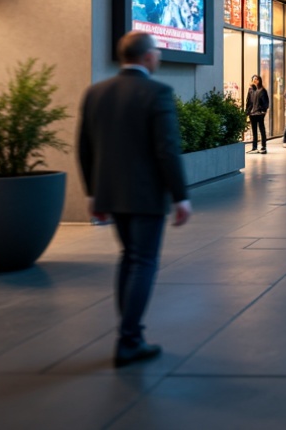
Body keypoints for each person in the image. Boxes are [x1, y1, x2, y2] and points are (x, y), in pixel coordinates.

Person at [77, 31, 192, 368]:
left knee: (129, 259)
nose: (158, 57)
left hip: (111, 193)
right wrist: (180, 197)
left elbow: (85, 148)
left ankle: (131, 336)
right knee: (143, 262)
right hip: (145, 195)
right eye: (156, 52)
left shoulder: (96, 93)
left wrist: (93, 193)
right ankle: (129, 340)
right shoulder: (157, 92)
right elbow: (167, 149)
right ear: (147, 57)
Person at [245, 74, 270, 154]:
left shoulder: (262, 90)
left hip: (259, 113)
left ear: (259, 80)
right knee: (254, 130)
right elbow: (248, 101)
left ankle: (263, 146)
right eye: (253, 79)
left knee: (262, 129)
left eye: (256, 79)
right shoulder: (250, 90)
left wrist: (264, 110)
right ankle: (254, 147)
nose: (255, 80)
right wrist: (247, 111)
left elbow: (266, 102)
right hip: (252, 113)